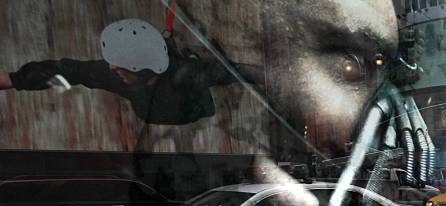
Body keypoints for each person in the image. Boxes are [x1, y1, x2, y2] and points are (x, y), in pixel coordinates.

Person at [0, 19, 264, 125]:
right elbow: (71, 70)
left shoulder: (187, 74)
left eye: (121, 65)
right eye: (113, 64)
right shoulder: (112, 73)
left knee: (196, 66)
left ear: (143, 65)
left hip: (188, 109)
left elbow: (237, 72)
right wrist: (14, 80)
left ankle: (183, 49)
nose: (114, 70)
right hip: (153, 107)